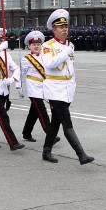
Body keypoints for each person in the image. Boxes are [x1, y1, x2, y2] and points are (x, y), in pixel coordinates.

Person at [40, 9, 94, 165]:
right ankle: (81, 155)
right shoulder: (47, 46)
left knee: (56, 121)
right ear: (54, 29)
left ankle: (46, 151)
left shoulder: (69, 45)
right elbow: (49, 64)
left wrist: (73, 83)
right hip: (55, 89)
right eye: (60, 27)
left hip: (67, 87)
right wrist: (65, 51)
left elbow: (71, 67)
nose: (64, 30)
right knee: (66, 122)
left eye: (66, 27)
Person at [19, 30, 59, 144]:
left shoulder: (44, 56)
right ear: (29, 46)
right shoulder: (26, 59)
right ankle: (51, 135)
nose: (36, 46)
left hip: (43, 87)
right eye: (33, 45)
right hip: (33, 88)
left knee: (34, 112)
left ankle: (26, 133)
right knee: (42, 112)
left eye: (38, 44)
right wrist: (19, 87)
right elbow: (20, 74)